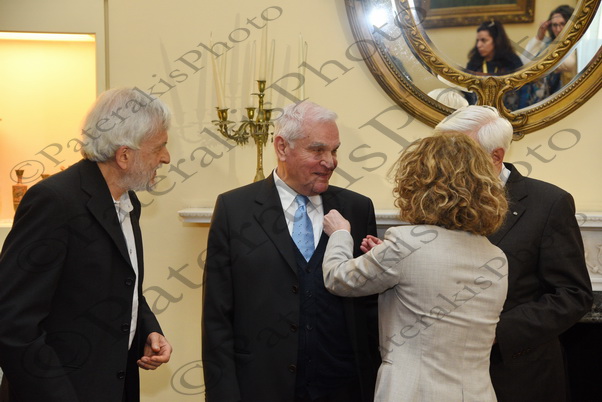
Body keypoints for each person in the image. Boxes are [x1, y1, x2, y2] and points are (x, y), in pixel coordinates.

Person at [0, 87, 173, 401]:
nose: (166, 157)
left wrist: (147, 328)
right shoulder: (54, 202)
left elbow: (121, 283)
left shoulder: (128, 203)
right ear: (124, 155)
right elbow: (12, 322)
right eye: (159, 147)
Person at [202, 101, 380, 402]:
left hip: (343, 388)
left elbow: (369, 309)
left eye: (334, 151)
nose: (330, 162)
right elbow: (217, 315)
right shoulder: (235, 210)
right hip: (261, 387)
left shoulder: (357, 208)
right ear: (282, 147)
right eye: (318, 150)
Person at [321, 133, 509, 401]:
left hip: (411, 391)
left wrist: (340, 234)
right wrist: (385, 257)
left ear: (418, 183)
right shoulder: (496, 256)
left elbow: (338, 279)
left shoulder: (406, 244)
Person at [434, 105, 593, 402]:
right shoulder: (436, 201)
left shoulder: (549, 203)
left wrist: (497, 332)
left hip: (519, 375)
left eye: (459, 154)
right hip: (445, 372)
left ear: (495, 157)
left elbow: (573, 295)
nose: (445, 164)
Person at [519, 5, 577, 106]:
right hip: (540, 100)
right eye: (554, 25)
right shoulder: (548, 43)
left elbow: (570, 64)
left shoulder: (577, 43)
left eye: (562, 24)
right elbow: (524, 62)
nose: (558, 29)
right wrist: (539, 37)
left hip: (566, 97)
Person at [466, 19, 524, 110]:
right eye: (478, 41)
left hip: (509, 112)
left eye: (484, 40)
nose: (478, 45)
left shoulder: (512, 61)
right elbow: (467, 92)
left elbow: (522, 91)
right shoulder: (474, 63)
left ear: (497, 40)